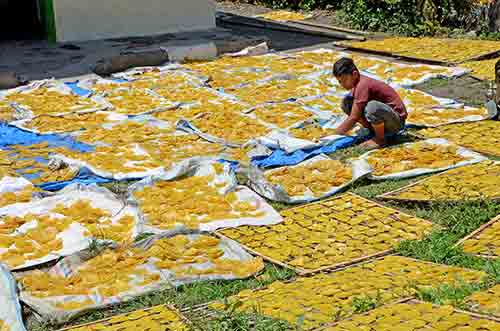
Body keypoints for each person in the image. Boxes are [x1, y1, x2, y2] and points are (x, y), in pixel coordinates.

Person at [332, 57, 407, 149]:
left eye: (344, 80)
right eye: (340, 82)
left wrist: (334, 134)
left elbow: (354, 117)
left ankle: (380, 139)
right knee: (347, 103)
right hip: (386, 118)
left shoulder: (363, 85)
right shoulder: (357, 84)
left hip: (396, 122)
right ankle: (374, 130)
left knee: (372, 107)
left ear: (354, 74)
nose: (342, 84)